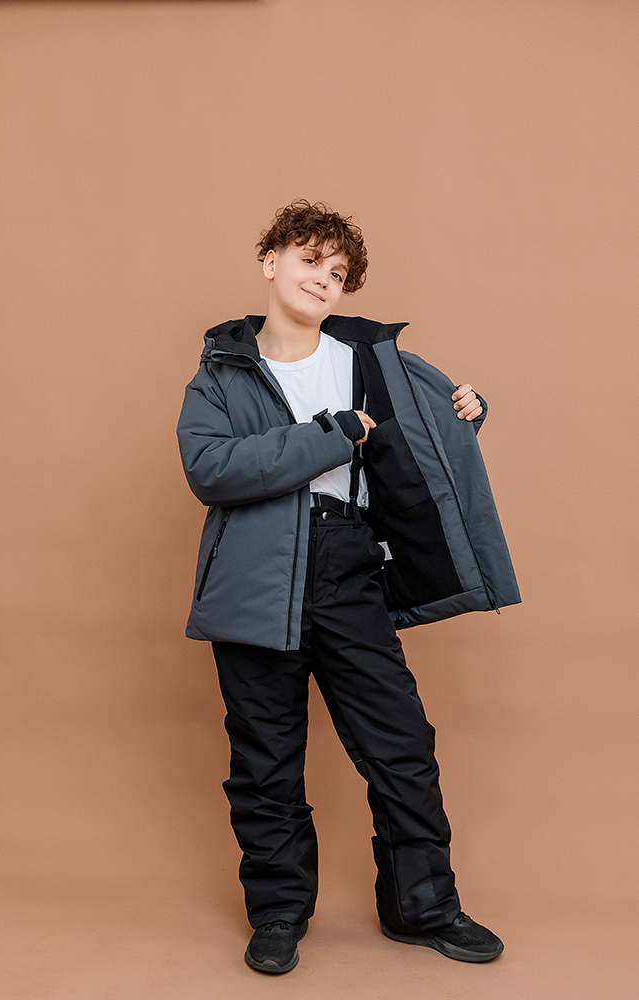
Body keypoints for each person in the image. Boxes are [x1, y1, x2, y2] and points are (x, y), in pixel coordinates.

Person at [176, 199, 521, 975]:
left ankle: (421, 907)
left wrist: (467, 412)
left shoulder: (367, 357)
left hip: (347, 562)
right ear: (270, 263)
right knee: (265, 760)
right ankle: (277, 914)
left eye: (336, 273)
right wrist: (328, 435)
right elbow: (211, 469)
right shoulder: (222, 371)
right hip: (252, 575)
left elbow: (427, 427)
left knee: (400, 745)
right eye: (309, 261)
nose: (322, 280)